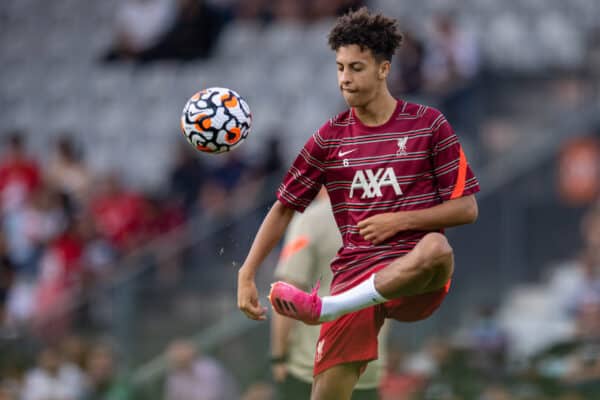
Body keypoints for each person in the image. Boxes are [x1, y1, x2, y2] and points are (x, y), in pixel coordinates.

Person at [237, 7, 479, 399]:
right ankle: (339, 307)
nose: (345, 79)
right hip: (356, 274)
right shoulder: (330, 138)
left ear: (384, 69)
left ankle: (329, 307)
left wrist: (398, 221)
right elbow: (283, 206)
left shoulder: (429, 125)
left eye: (356, 68)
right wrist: (247, 273)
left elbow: (467, 209)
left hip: (417, 272)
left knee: (437, 246)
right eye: (340, 68)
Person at [271, 188, 388, 399]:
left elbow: (288, 292)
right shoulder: (387, 214)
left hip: (312, 367)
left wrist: (278, 356)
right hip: (369, 367)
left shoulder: (310, 219)